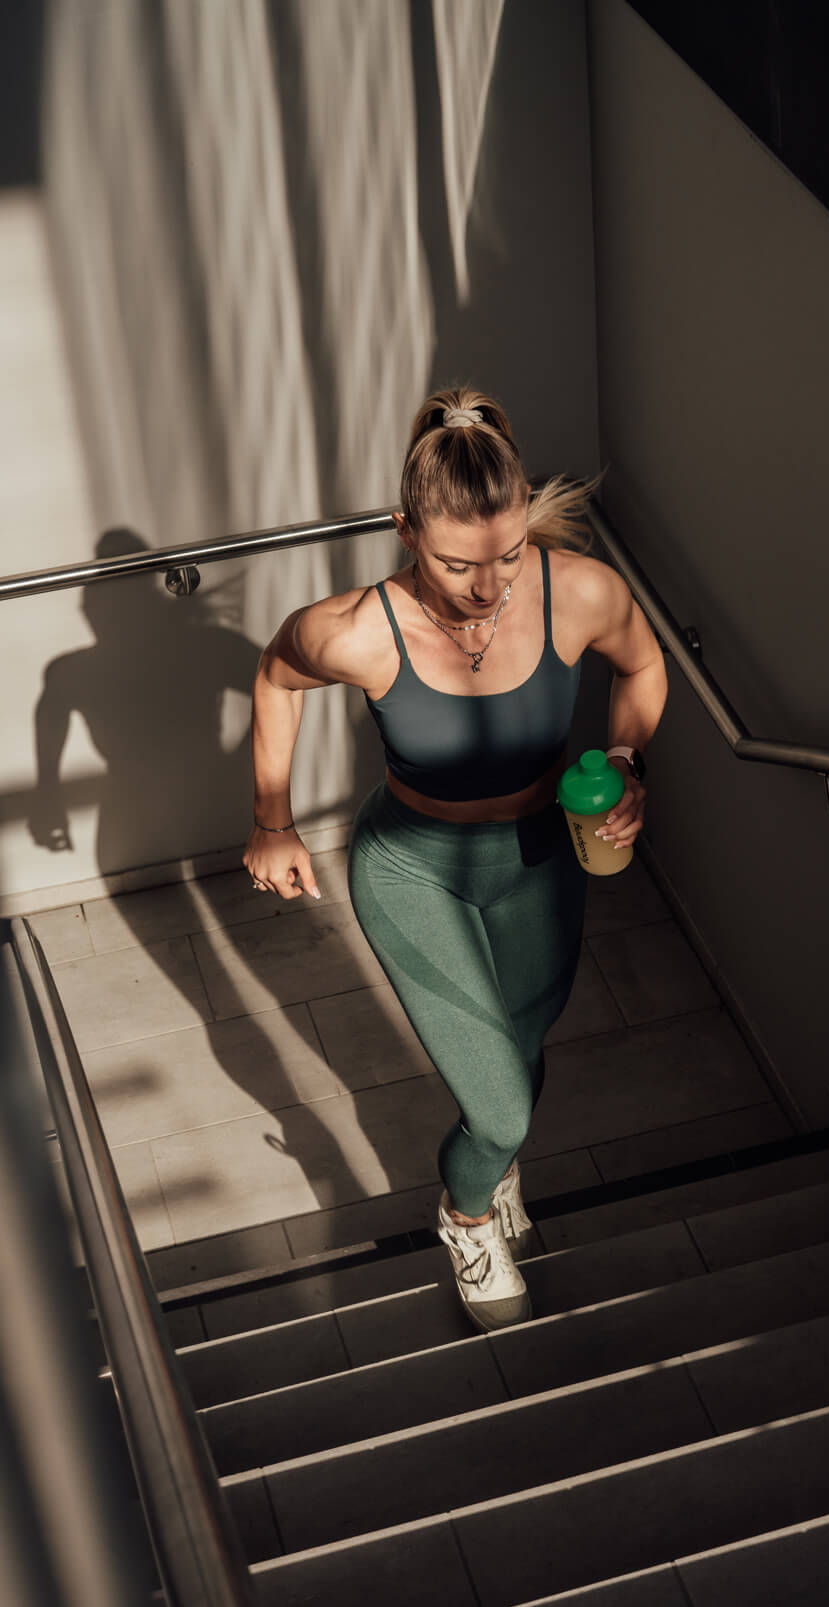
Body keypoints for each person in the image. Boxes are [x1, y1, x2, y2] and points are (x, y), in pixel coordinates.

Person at [243, 387, 668, 1330]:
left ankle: (495, 1164)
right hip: (412, 868)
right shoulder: (355, 629)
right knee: (503, 1110)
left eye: (510, 554)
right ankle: (468, 1214)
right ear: (404, 530)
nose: (490, 587)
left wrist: (630, 759)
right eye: (457, 562)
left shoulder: (579, 592)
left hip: (539, 858)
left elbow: (641, 665)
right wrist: (272, 819)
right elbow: (275, 673)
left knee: (520, 1051)